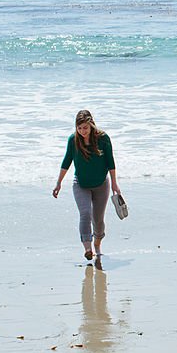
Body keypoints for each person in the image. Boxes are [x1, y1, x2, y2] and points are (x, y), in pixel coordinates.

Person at [53, 110, 120, 262]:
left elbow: (110, 162)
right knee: (85, 213)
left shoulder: (103, 138)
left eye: (85, 128)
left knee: (98, 220)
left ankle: (97, 244)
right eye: (79, 128)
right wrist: (58, 183)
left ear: (91, 125)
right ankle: (88, 249)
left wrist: (115, 184)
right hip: (80, 184)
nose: (82, 131)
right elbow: (66, 162)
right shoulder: (73, 140)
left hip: (101, 184)